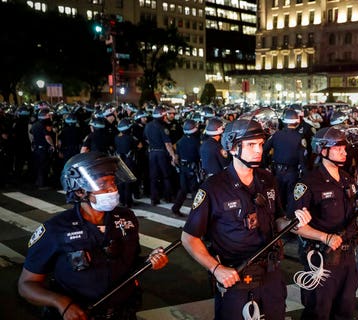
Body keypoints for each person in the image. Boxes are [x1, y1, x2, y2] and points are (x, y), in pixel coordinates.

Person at [181, 119, 311, 320]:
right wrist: (216, 269)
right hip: (236, 277)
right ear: (232, 148)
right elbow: (189, 237)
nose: (259, 150)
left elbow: (277, 220)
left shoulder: (268, 180)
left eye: (260, 144)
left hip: (271, 274)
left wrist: (293, 222)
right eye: (251, 145)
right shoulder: (213, 187)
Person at [18, 152, 169, 320]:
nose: (112, 189)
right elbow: (27, 285)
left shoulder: (127, 218)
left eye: (113, 182)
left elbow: (131, 263)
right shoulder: (55, 229)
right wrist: (62, 303)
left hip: (124, 313)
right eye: (103, 184)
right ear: (80, 191)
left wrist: (150, 261)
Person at [292, 126, 358, 320]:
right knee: (319, 310)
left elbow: (353, 209)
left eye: (344, 148)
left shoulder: (346, 179)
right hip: (322, 257)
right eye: (338, 148)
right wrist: (324, 237)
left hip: (348, 256)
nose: (344, 152)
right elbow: (296, 225)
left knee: (345, 307)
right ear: (323, 151)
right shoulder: (309, 182)